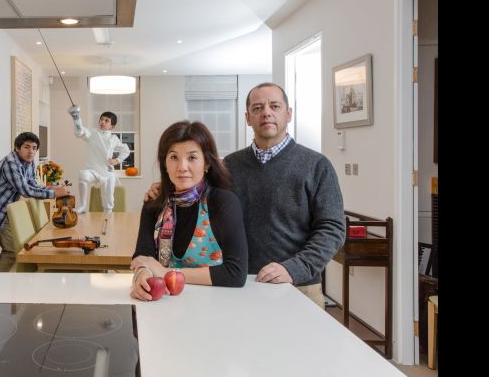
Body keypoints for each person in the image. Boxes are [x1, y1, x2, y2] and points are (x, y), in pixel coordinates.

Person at [145, 83, 345, 308]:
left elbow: (332, 228)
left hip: (297, 286)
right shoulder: (230, 165)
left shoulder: (316, 165)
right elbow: (191, 189)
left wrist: (294, 268)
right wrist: (162, 189)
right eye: (257, 108)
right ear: (248, 117)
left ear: (288, 114)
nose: (266, 112)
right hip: (238, 286)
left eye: (275, 106)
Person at [130, 121, 248, 301]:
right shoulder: (154, 202)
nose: (182, 167)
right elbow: (143, 256)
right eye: (174, 157)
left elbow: (235, 274)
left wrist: (166, 272)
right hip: (164, 307)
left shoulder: (223, 202)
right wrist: (141, 276)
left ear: (207, 163)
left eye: (192, 158)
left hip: (216, 308)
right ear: (164, 163)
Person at [0, 132, 69, 272]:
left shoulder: (29, 163)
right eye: (27, 147)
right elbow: (25, 190)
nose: (31, 151)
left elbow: (32, 184)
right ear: (17, 148)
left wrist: (51, 187)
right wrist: (54, 194)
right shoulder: (11, 163)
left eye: (34, 148)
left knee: (13, 251)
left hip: (2, 211)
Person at [68, 108, 130, 213]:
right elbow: (80, 131)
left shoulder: (114, 139)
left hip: (107, 173)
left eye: (106, 121)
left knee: (108, 202)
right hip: (93, 171)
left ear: (112, 126)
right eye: (101, 119)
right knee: (83, 175)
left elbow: (126, 150)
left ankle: (108, 219)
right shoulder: (92, 134)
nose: (102, 122)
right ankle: (83, 205)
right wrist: (76, 117)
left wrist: (117, 160)